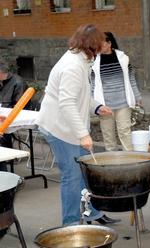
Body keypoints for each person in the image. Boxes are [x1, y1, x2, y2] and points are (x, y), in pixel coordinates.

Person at [36, 24, 120, 226]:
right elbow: (66, 103)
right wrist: (83, 134)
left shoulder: (81, 60)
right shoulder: (73, 66)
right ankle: (71, 224)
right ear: (91, 46)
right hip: (60, 129)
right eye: (99, 45)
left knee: (86, 171)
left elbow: (79, 96)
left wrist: (97, 106)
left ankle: (92, 212)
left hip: (68, 126)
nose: (101, 50)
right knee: (72, 176)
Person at [92, 31, 142, 151]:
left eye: (102, 44)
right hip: (104, 105)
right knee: (108, 135)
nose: (99, 47)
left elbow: (131, 79)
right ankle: (112, 161)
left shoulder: (123, 58)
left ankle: (129, 159)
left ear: (109, 43)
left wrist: (137, 96)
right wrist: (94, 104)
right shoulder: (94, 61)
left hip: (123, 103)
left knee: (125, 132)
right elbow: (92, 84)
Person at [0, 61, 27, 171]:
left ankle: (7, 157)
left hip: (14, 113)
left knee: (4, 130)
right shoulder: (2, 81)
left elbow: (19, 104)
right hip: (4, 111)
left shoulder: (18, 82)